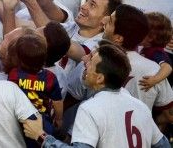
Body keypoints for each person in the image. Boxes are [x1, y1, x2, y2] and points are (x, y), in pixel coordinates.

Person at [23, 44, 170, 148]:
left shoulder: (90, 109)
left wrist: (41, 136)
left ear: (100, 78)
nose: (85, 65)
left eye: (91, 64)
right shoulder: (140, 106)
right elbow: (163, 145)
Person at [102, 4, 173, 127]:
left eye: (111, 21)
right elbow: (169, 115)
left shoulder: (156, 55)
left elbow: (168, 67)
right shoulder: (150, 63)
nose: (105, 20)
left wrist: (155, 79)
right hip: (136, 135)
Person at [138, 12, 172, 90]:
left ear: (150, 37)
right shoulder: (145, 48)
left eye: (140, 30)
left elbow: (167, 67)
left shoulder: (156, 52)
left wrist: (154, 80)